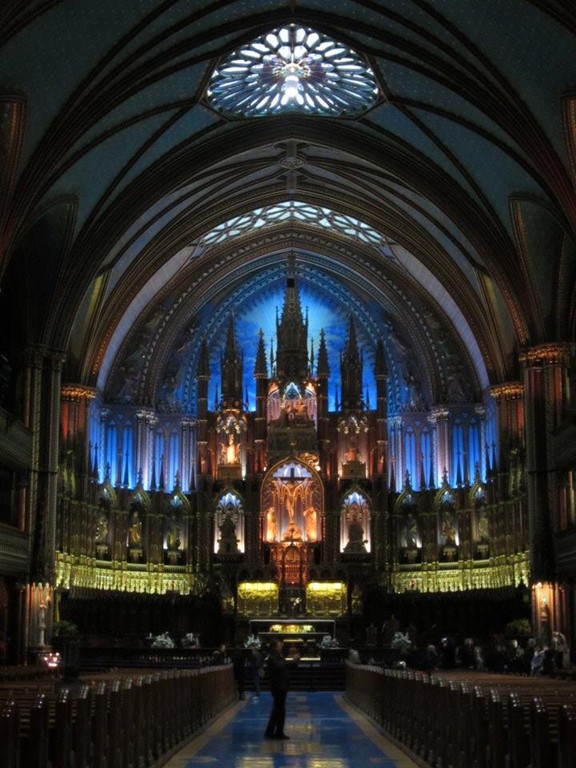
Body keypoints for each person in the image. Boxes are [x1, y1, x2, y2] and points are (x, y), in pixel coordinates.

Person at [264, 639, 297, 740]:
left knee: (277, 710)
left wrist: (294, 663)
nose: (281, 646)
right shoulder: (273, 658)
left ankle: (270, 731)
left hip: (281, 686)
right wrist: (293, 661)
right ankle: (278, 732)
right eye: (279, 645)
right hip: (278, 686)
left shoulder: (278, 656)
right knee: (280, 710)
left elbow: (285, 667)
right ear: (275, 647)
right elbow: (281, 666)